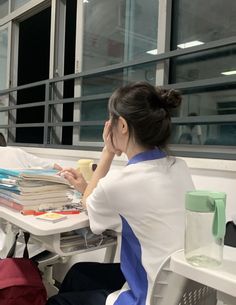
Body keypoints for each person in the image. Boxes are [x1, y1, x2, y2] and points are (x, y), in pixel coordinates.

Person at [47, 82, 194, 305]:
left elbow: (90, 203)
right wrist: (84, 186)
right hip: (180, 287)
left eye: (110, 120)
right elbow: (111, 199)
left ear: (122, 125)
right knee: (79, 273)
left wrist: (107, 151)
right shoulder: (178, 166)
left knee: (58, 302)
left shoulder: (122, 181)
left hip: (148, 296)